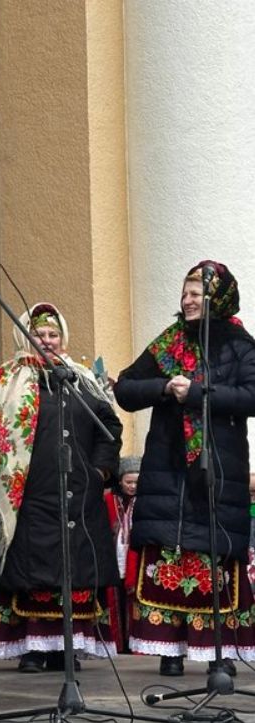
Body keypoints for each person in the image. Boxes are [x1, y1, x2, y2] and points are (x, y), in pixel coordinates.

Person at [114, 260, 255, 677]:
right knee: (169, 552)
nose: (188, 300)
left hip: (218, 467)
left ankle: (217, 653)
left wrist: (197, 392)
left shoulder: (239, 345)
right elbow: (125, 387)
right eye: (185, 293)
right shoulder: (169, 341)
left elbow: (251, 396)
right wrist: (163, 387)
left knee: (213, 555)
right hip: (168, 467)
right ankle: (169, 649)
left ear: (218, 298)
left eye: (197, 294)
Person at [0, 303, 122, 673]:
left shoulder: (82, 379)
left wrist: (100, 471)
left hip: (78, 495)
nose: (48, 340)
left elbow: (109, 427)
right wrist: (1, 479)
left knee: (74, 572)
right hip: (29, 497)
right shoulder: (6, 380)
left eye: (54, 334)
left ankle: (66, 650)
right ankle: (33, 649)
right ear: (25, 337)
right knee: (31, 571)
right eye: (40, 334)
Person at [104, 455, 140, 653]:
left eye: (136, 482)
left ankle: (133, 644)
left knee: (133, 601)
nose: (133, 486)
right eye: (129, 482)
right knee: (114, 600)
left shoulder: (143, 502)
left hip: (135, 557)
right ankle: (117, 643)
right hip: (114, 555)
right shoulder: (109, 500)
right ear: (120, 481)